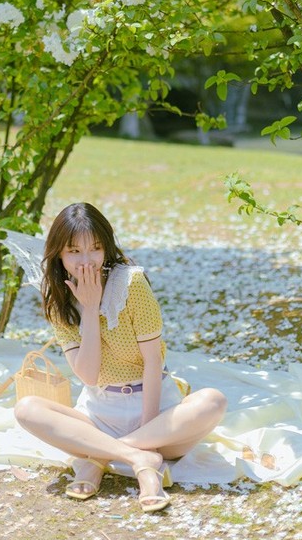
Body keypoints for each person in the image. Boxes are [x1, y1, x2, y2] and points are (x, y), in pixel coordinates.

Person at [14, 202, 227, 512]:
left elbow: (153, 362)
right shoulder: (59, 298)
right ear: (59, 253)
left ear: (106, 247)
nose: (86, 261)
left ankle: (99, 457)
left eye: (95, 249)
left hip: (156, 412)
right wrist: (89, 309)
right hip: (98, 416)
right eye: (74, 251)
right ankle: (139, 460)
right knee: (26, 409)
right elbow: (88, 376)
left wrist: (149, 434)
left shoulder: (131, 283)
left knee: (213, 401)